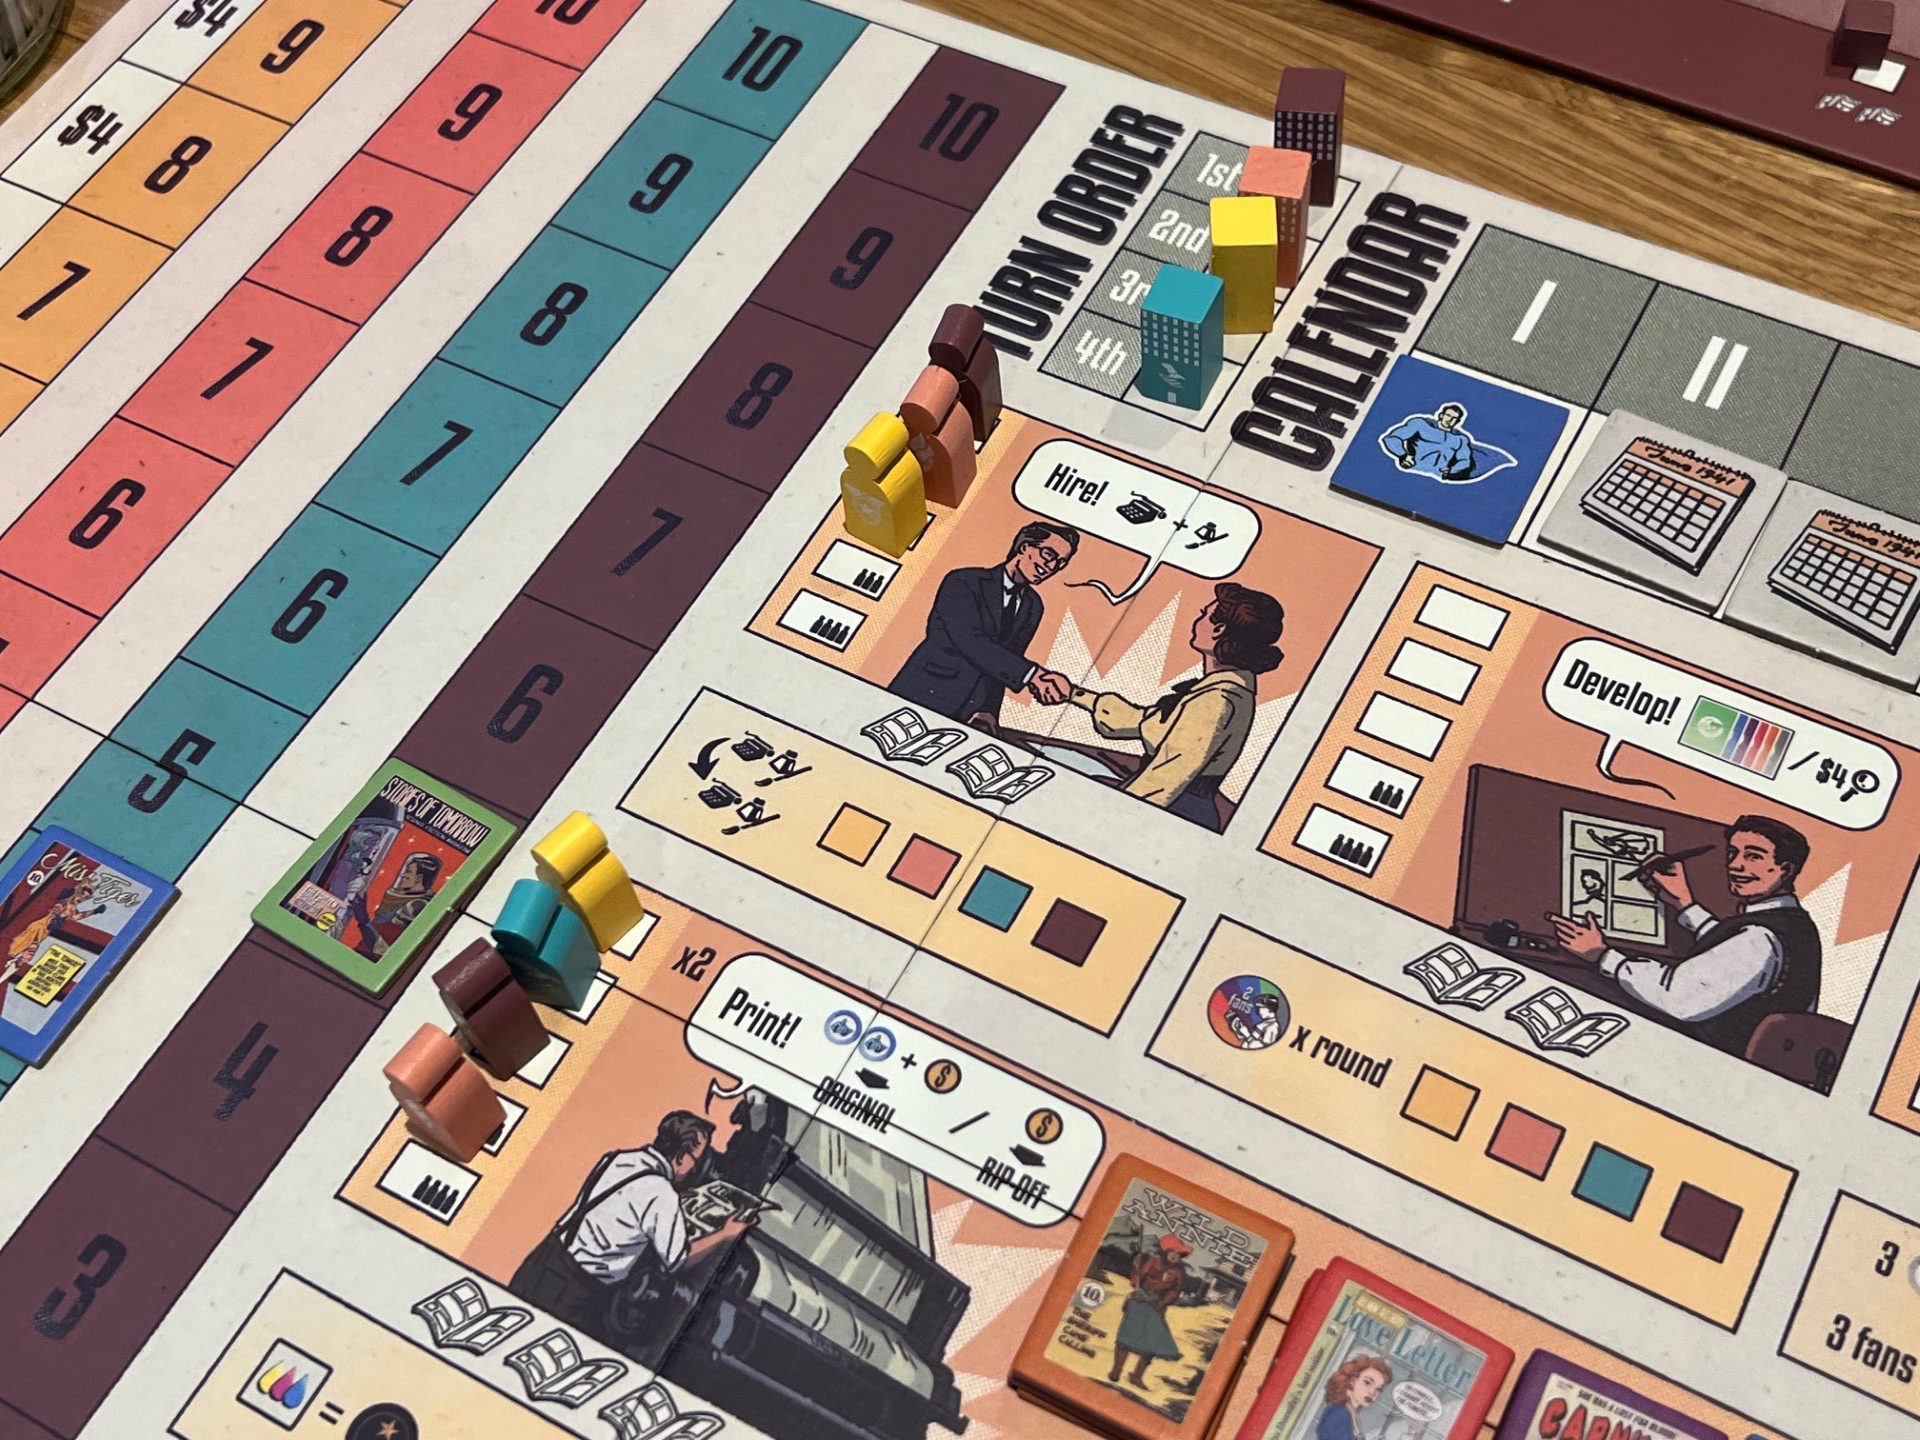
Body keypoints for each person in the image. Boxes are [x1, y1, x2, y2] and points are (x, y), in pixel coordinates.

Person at [1548, 815, 1823, 1058]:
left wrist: (1603, 956)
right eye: (1732, 853)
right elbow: (1729, 954)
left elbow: (1677, 998)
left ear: (1786, 869)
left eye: (1753, 856)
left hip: (1713, 1063)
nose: (1735, 865)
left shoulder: (1759, 938)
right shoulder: (1795, 924)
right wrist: (1684, 904)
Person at [1039, 582, 1283, 830]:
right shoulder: (1215, 691)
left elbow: (1165, 779)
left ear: (1218, 629)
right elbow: (1142, 721)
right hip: (1170, 804)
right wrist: (1073, 694)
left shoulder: (1217, 701)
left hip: (1175, 811)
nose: (1197, 621)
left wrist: (1106, 817)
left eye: (1203, 614)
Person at [510, 1111, 757, 1341]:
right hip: (575, 1292)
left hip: (543, 1261)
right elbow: (678, 1261)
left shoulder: (617, 1158)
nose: (698, 1166)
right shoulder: (661, 1194)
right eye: (698, 1158)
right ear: (682, 1157)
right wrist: (725, 1234)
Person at [888, 522, 1079, 726]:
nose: (1051, 567)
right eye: (1048, 555)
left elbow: (1006, 661)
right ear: (1024, 547)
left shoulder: (1033, 605)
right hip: (924, 692)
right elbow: (971, 641)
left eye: (1060, 563)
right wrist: (1033, 675)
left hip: (971, 712)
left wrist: (989, 712)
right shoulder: (964, 582)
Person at [1107, 1232, 1193, 1390]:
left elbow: (1175, 1291)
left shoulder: (1178, 1272)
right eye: (1172, 1251)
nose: (1175, 1255)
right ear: (1166, 1251)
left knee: (1152, 1345)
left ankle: (1136, 1376)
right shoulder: (1153, 1261)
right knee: (1126, 1338)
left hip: (1156, 1306)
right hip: (1139, 1301)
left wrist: (1163, 1302)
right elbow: (1138, 1278)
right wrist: (1136, 1278)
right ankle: (1116, 1370)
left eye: (1178, 1253)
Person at [1383, 402, 1474, 480]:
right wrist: (1403, 455)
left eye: (1454, 418)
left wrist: (1451, 470)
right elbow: (1392, 438)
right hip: (1412, 470)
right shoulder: (1421, 425)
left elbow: (1465, 461)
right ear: (1441, 415)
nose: (1449, 420)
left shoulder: (1460, 439)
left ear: (1458, 421)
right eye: (1448, 415)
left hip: (1437, 477)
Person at [1316, 1355, 1392, 1440]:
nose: (1372, 1392)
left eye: (1378, 1389)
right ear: (1352, 1380)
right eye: (1367, 1382)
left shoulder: (1350, 1411)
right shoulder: (1338, 1413)